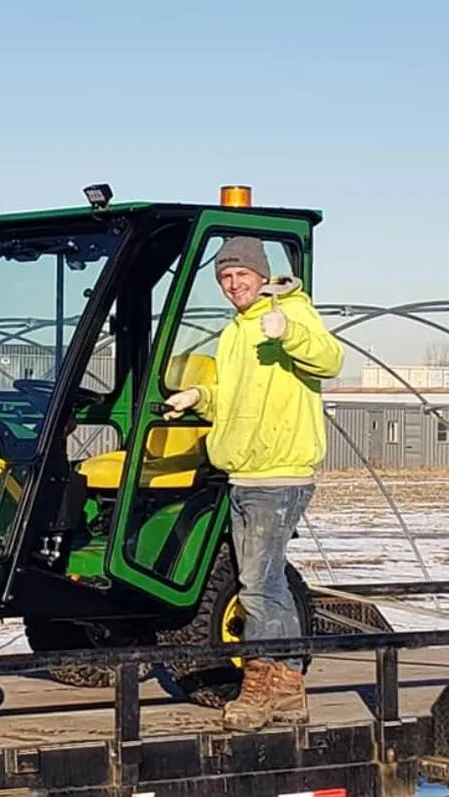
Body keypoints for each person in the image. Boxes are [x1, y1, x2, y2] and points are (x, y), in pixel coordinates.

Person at [163, 235, 344, 733]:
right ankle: (289, 691)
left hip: (278, 475)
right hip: (243, 473)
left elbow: (329, 360)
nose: (233, 283)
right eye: (225, 277)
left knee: (258, 588)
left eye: (241, 274)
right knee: (269, 588)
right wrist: (198, 396)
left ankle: (259, 692)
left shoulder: (292, 311)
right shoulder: (236, 332)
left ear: (262, 275)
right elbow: (236, 398)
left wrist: (288, 333)